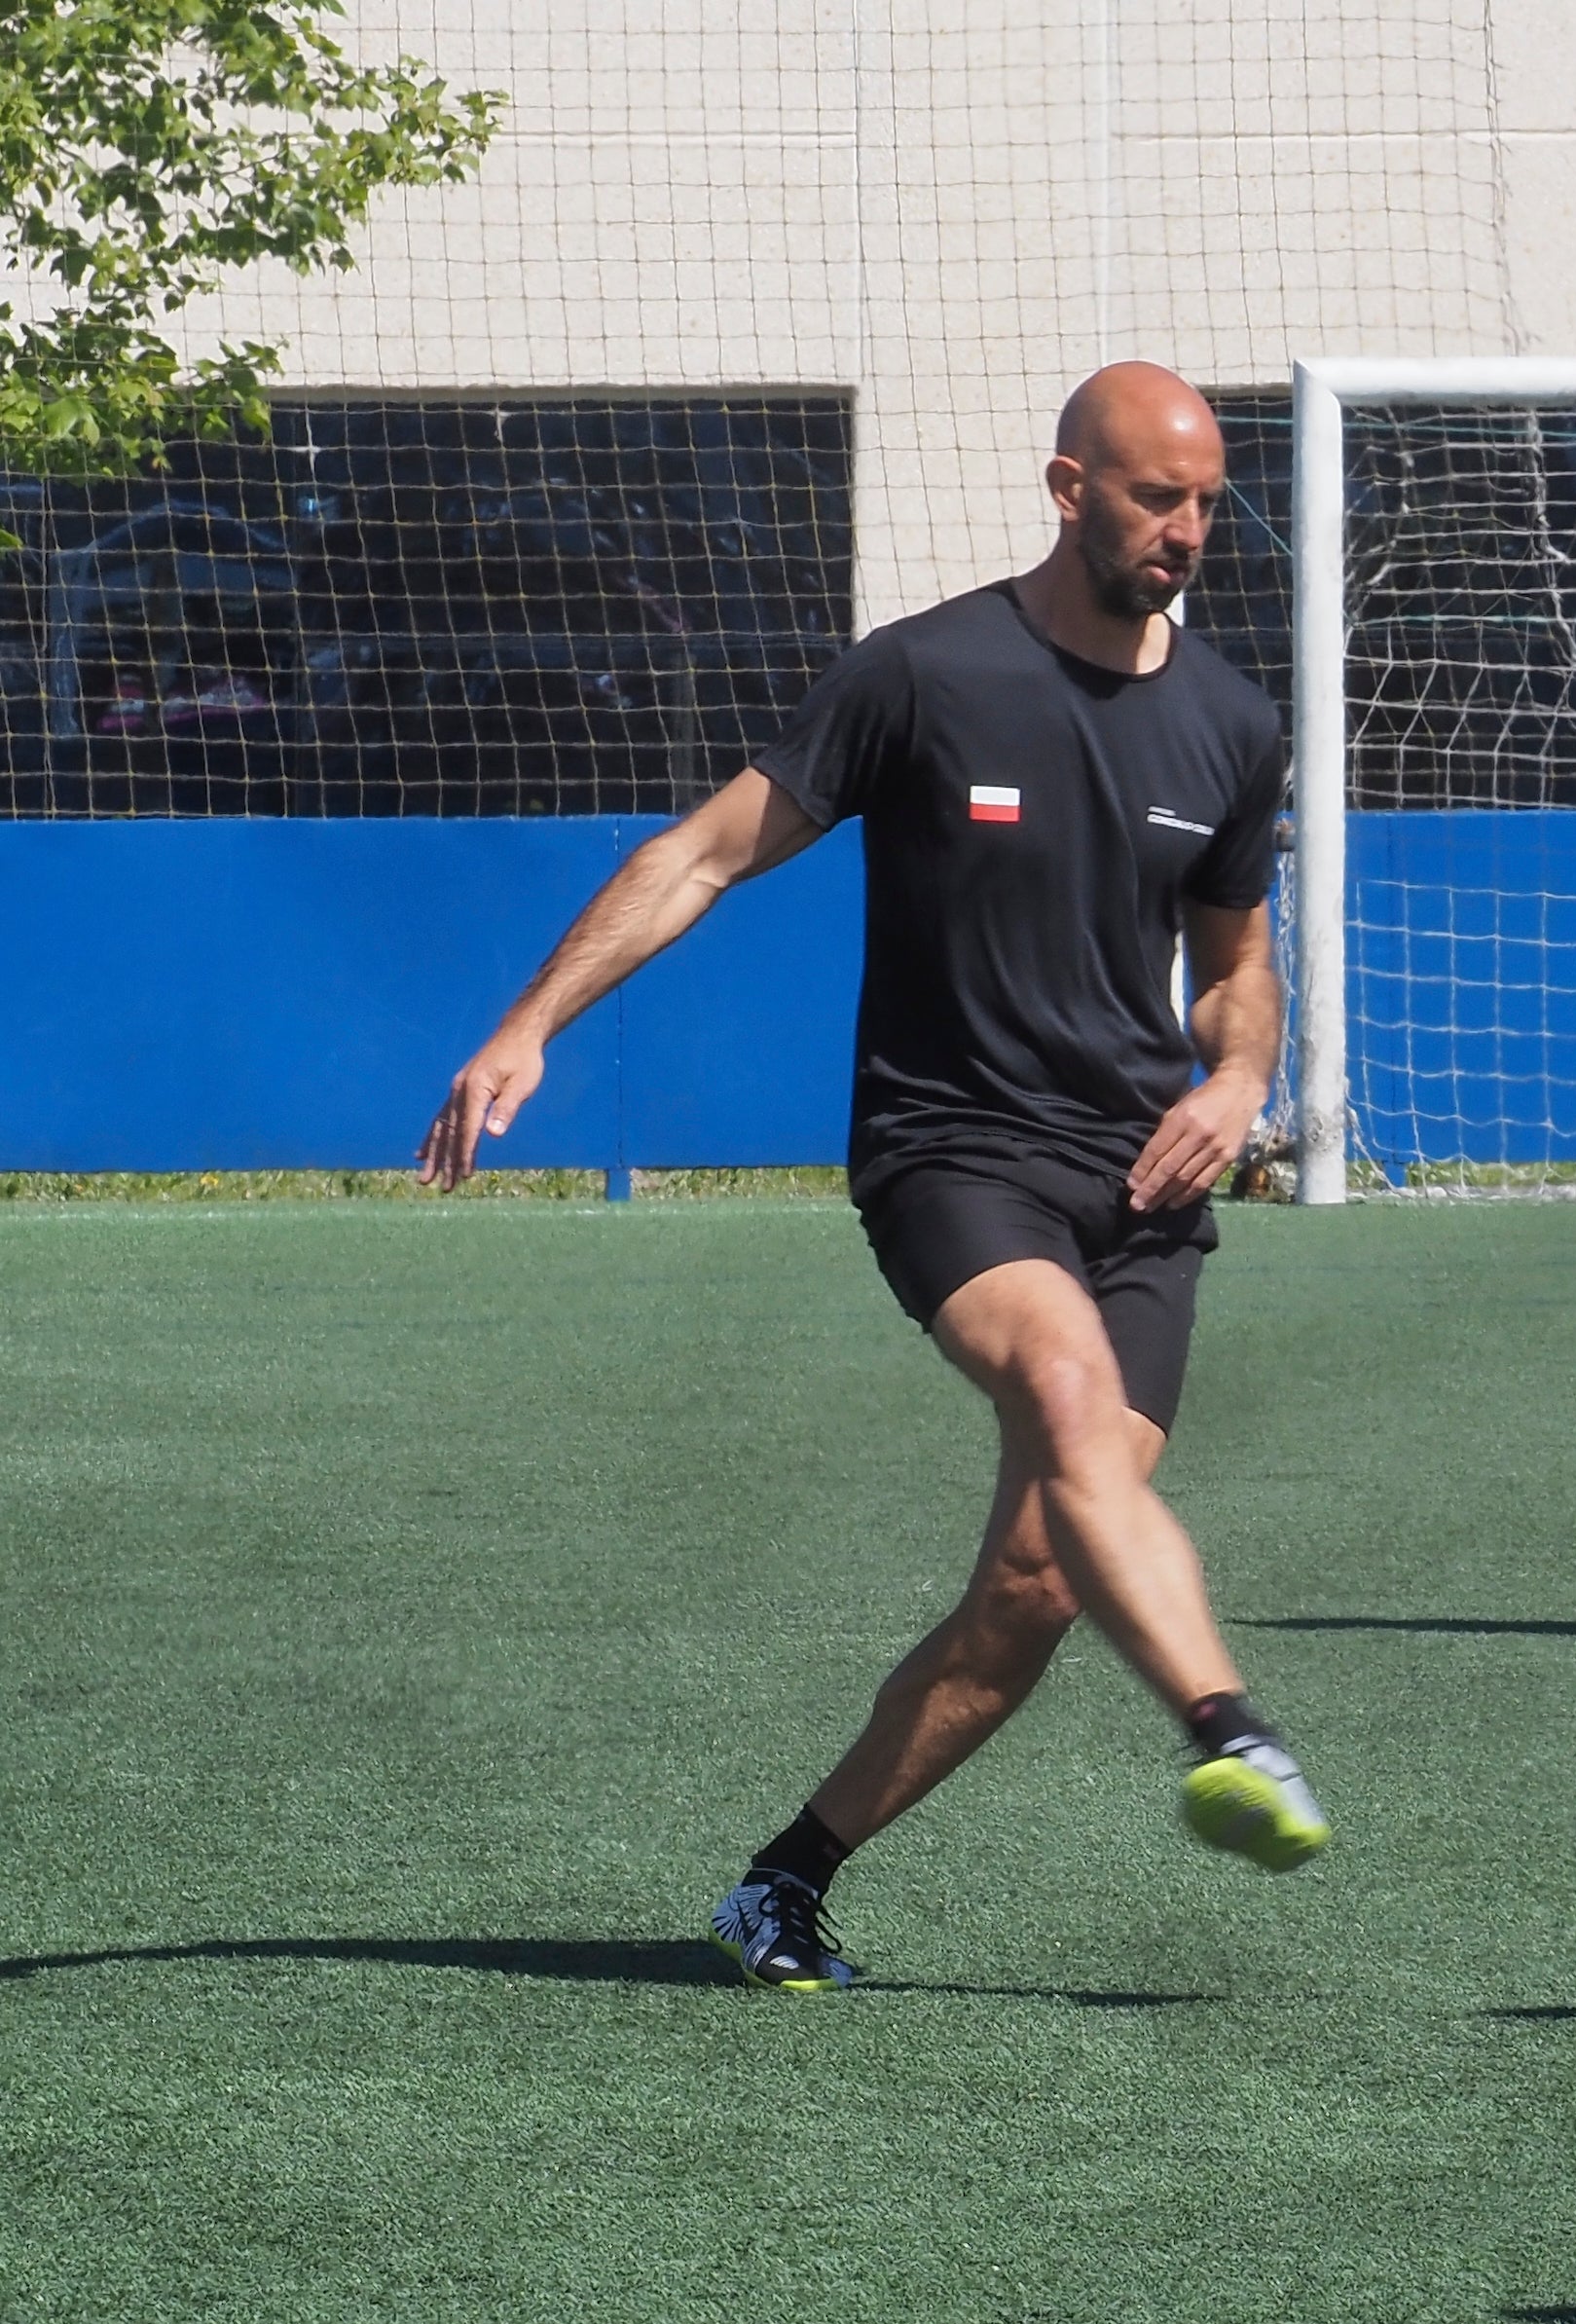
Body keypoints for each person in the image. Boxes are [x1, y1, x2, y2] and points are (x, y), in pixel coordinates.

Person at [418, 363, 1331, 1991]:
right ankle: (1232, 1727)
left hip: (1142, 1184)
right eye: (1153, 498)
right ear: (1069, 489)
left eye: (1206, 503)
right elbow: (701, 853)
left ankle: (789, 1877)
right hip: (951, 1154)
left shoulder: (1233, 722)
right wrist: (529, 1023)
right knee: (1062, 1392)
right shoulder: (924, 675)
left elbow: (1234, 967)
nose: (1187, 530)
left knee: (1044, 1577)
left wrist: (1244, 1072)